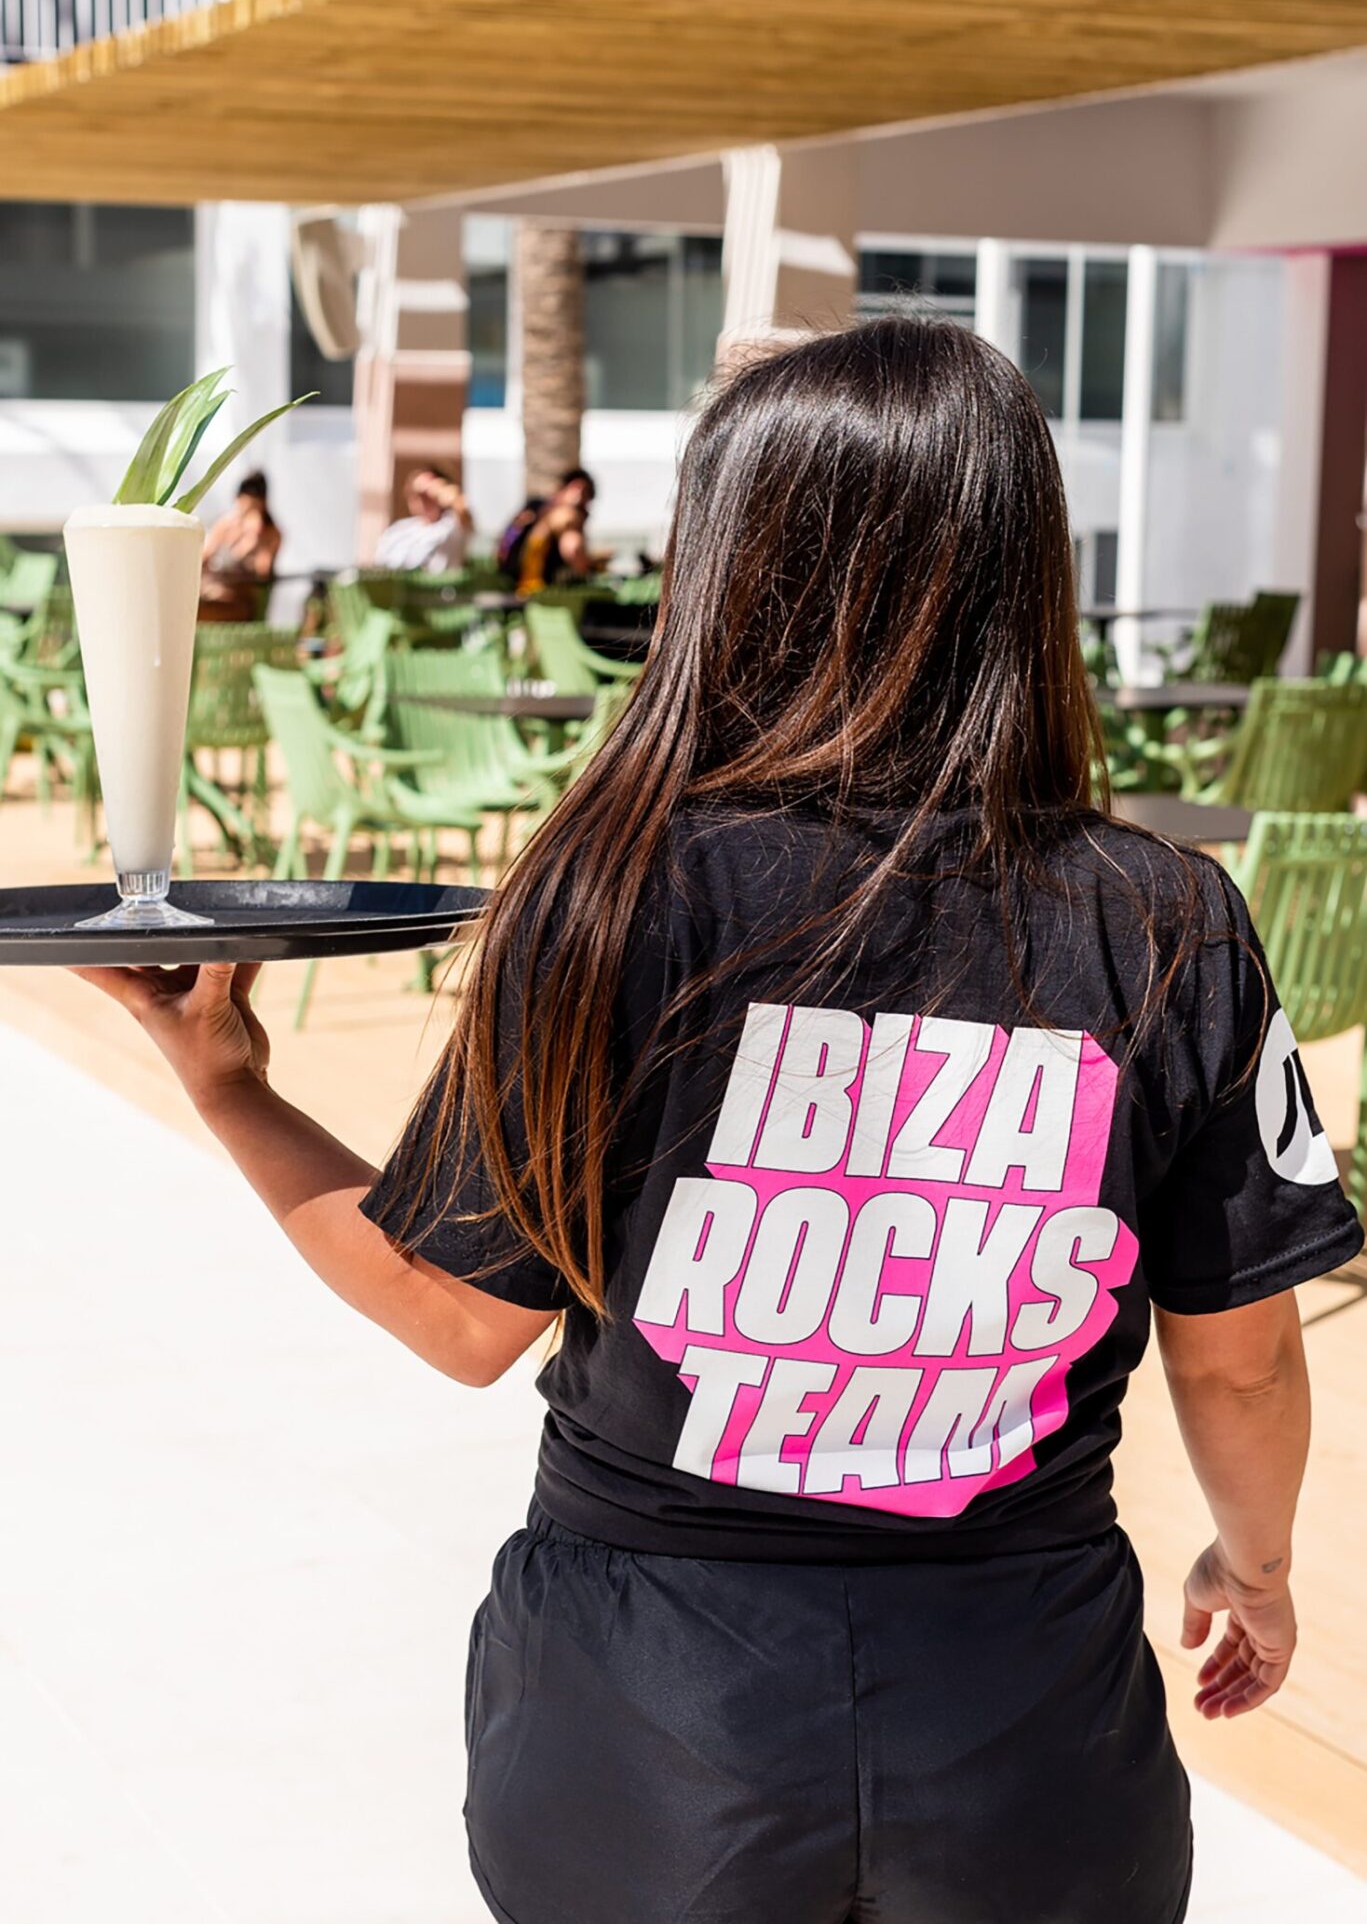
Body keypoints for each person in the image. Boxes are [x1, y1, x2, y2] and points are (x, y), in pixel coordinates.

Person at [75, 317, 1361, 1924]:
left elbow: (452, 1314)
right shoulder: (1165, 921)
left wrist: (228, 1086)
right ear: (1022, 567)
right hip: (1021, 1717)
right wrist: (1253, 1568)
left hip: (651, 1728)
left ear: (722, 567)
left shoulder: (607, 897)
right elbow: (1236, 1358)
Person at [199, 470, 281, 623]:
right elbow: (204, 556)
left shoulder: (269, 533)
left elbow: (263, 571)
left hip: (239, 599)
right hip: (211, 589)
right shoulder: (226, 524)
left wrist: (253, 539)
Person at [498, 467, 596, 592]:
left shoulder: (539, 508)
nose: (579, 495)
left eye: (585, 492)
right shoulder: (558, 513)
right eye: (576, 488)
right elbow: (572, 547)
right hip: (527, 580)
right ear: (563, 489)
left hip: (520, 578)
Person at [373, 465, 474, 573]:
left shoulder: (452, 525)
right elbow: (381, 565)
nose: (422, 500)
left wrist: (439, 490)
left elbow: (464, 513)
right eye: (415, 495)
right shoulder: (398, 529)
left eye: (427, 495)